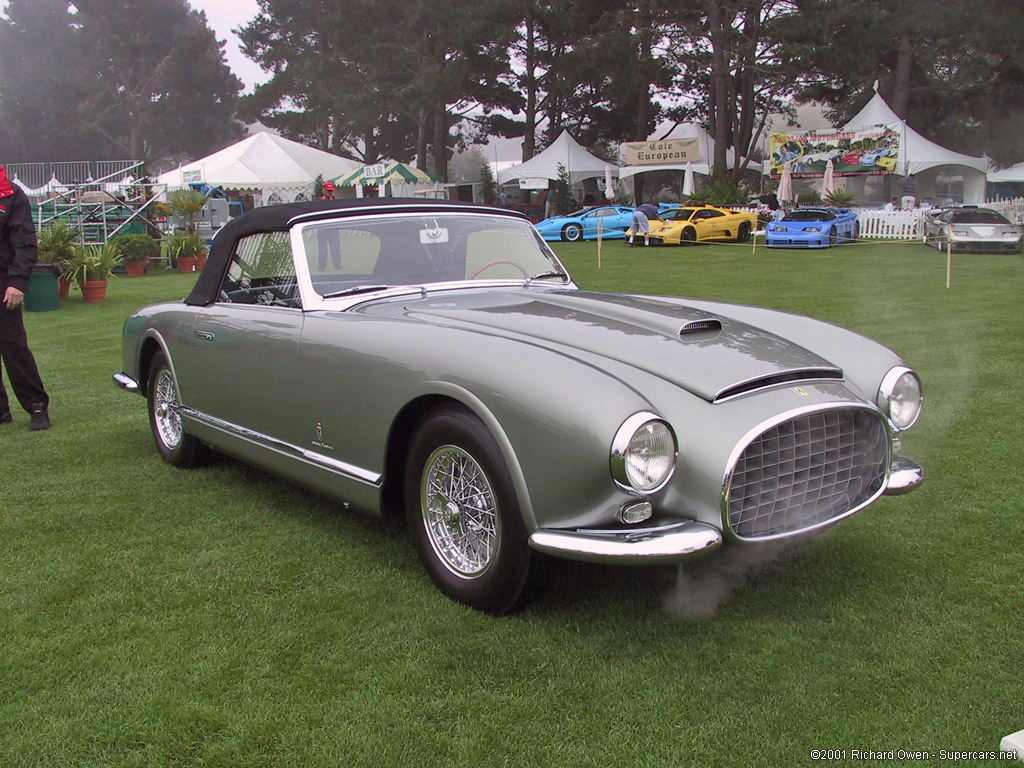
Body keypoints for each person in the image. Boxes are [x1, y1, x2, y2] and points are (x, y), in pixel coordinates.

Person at [0, 164, 50, 430]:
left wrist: (17, 282)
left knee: (13, 347)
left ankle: (36, 405)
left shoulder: (11, 195)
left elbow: (24, 241)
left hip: (4, 281)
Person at [317, 181, 341, 270]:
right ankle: (322, 266)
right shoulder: (319, 201)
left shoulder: (335, 201)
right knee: (322, 249)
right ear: (324, 191)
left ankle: (337, 266)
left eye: (331, 191)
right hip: (322, 228)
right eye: (328, 191)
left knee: (335, 249)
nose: (330, 193)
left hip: (333, 228)